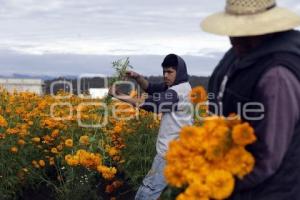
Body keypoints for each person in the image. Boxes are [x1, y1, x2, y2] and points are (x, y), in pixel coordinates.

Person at [201, 0, 300, 199]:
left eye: (242, 31)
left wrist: (208, 181)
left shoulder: (277, 75)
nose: (233, 39)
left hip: (267, 192)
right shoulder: (244, 51)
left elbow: (265, 158)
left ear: (266, 27)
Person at [108, 54, 193, 200]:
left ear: (179, 73)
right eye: (164, 72)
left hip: (170, 153)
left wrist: (119, 95)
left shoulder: (178, 92)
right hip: (178, 151)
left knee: (147, 192)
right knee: (154, 190)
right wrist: (137, 77)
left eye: (170, 72)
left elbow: (155, 104)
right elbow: (152, 88)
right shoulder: (179, 87)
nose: (166, 75)